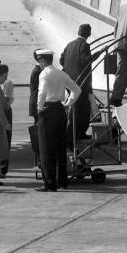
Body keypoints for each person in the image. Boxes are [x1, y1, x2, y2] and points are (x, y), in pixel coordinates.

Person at [35, 50, 81, 192]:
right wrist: (68, 103)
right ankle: (62, 180)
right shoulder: (61, 73)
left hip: (48, 111)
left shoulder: (44, 73)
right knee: (60, 148)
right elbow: (77, 90)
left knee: (46, 149)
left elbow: (42, 92)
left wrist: (39, 107)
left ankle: (49, 183)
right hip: (60, 111)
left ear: (42, 61)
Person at [61, 24, 93, 141]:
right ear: (88, 34)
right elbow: (85, 61)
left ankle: (75, 134)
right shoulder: (84, 45)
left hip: (70, 83)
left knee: (75, 109)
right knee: (84, 110)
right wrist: (96, 55)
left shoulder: (69, 45)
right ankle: (75, 135)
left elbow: (61, 60)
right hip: (81, 84)